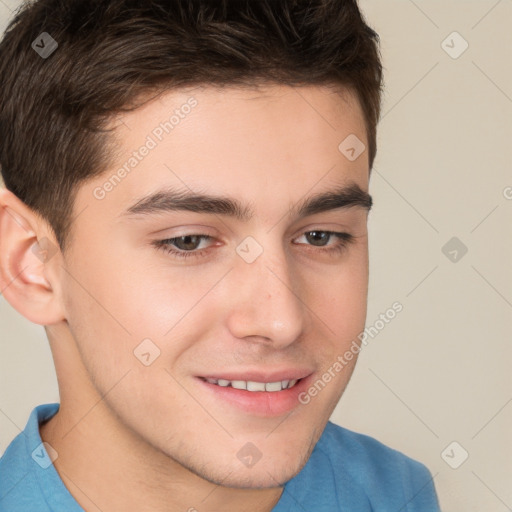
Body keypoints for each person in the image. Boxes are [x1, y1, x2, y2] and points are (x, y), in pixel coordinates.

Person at [0, 1, 441, 510]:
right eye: (188, 241)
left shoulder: (395, 494)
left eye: (320, 236)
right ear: (31, 265)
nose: (281, 320)